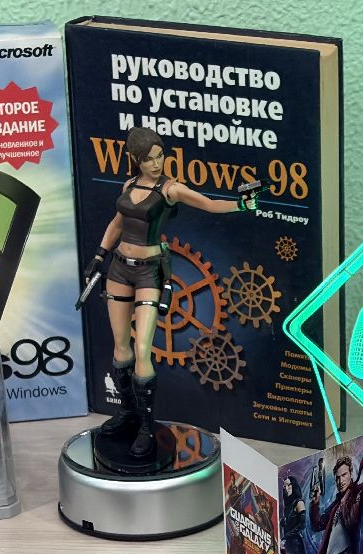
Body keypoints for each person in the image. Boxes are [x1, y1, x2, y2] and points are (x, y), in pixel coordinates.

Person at [81, 128, 260, 473]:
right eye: (148, 158)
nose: (155, 163)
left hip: (149, 272)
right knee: (121, 347)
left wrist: (241, 203)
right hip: (119, 268)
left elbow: (208, 204)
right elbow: (117, 223)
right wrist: (100, 255)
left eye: (159, 156)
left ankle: (147, 426)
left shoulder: (170, 189)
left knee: (143, 349)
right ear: (135, 159)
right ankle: (128, 412)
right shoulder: (128, 185)